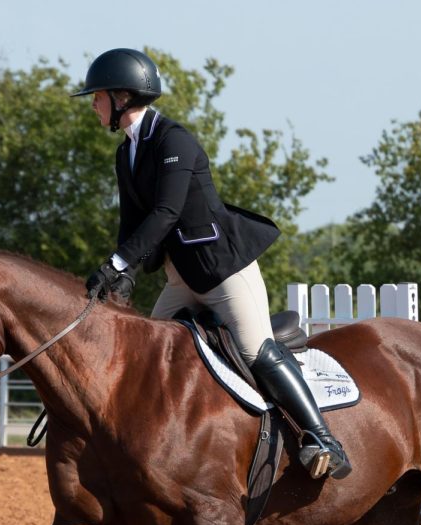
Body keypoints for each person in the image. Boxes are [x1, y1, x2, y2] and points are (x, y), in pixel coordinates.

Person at [73, 48, 350, 480]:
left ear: (123, 97)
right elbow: (132, 221)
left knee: (254, 349)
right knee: (145, 358)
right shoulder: (126, 153)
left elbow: (166, 212)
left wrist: (117, 261)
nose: (92, 103)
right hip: (181, 278)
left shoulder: (173, 140)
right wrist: (122, 274)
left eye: (98, 96)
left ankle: (322, 438)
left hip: (223, 271)